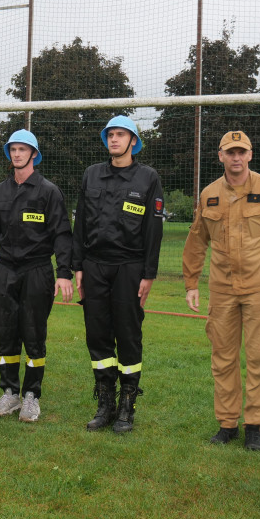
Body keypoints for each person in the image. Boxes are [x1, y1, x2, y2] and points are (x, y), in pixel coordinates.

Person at [181, 130, 260, 452]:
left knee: (259, 358)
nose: (236, 158)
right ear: (220, 156)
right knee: (222, 358)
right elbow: (196, 240)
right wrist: (191, 283)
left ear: (250, 155)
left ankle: (254, 427)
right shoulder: (209, 195)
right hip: (221, 291)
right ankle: (227, 424)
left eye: (241, 152)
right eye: (229, 152)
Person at [71, 115, 165, 433]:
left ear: (133, 141)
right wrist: (78, 266)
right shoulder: (92, 175)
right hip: (95, 267)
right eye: (110, 134)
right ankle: (105, 403)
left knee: (127, 335)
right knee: (97, 336)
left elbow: (154, 230)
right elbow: (80, 224)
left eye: (120, 134)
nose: (114, 139)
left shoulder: (147, 178)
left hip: (130, 267)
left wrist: (148, 274)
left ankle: (127, 405)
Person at [0, 130, 73, 422]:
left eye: (22, 149)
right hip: (5, 271)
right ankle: (9, 393)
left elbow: (62, 236)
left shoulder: (48, 192)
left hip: (37, 271)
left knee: (33, 333)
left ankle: (31, 396)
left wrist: (63, 273)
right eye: (13, 149)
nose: (16, 154)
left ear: (34, 154)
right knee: (4, 333)